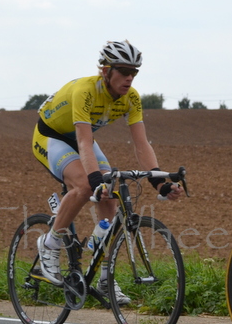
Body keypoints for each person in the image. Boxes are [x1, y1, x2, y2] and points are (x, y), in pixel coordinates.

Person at [31, 40, 184, 304]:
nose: (129, 77)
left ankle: (104, 277)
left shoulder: (131, 98)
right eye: (123, 71)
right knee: (85, 185)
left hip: (85, 140)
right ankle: (50, 242)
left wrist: (159, 183)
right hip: (51, 136)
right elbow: (82, 142)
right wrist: (94, 181)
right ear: (105, 70)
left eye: (134, 72)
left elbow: (141, 144)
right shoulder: (85, 91)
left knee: (110, 194)